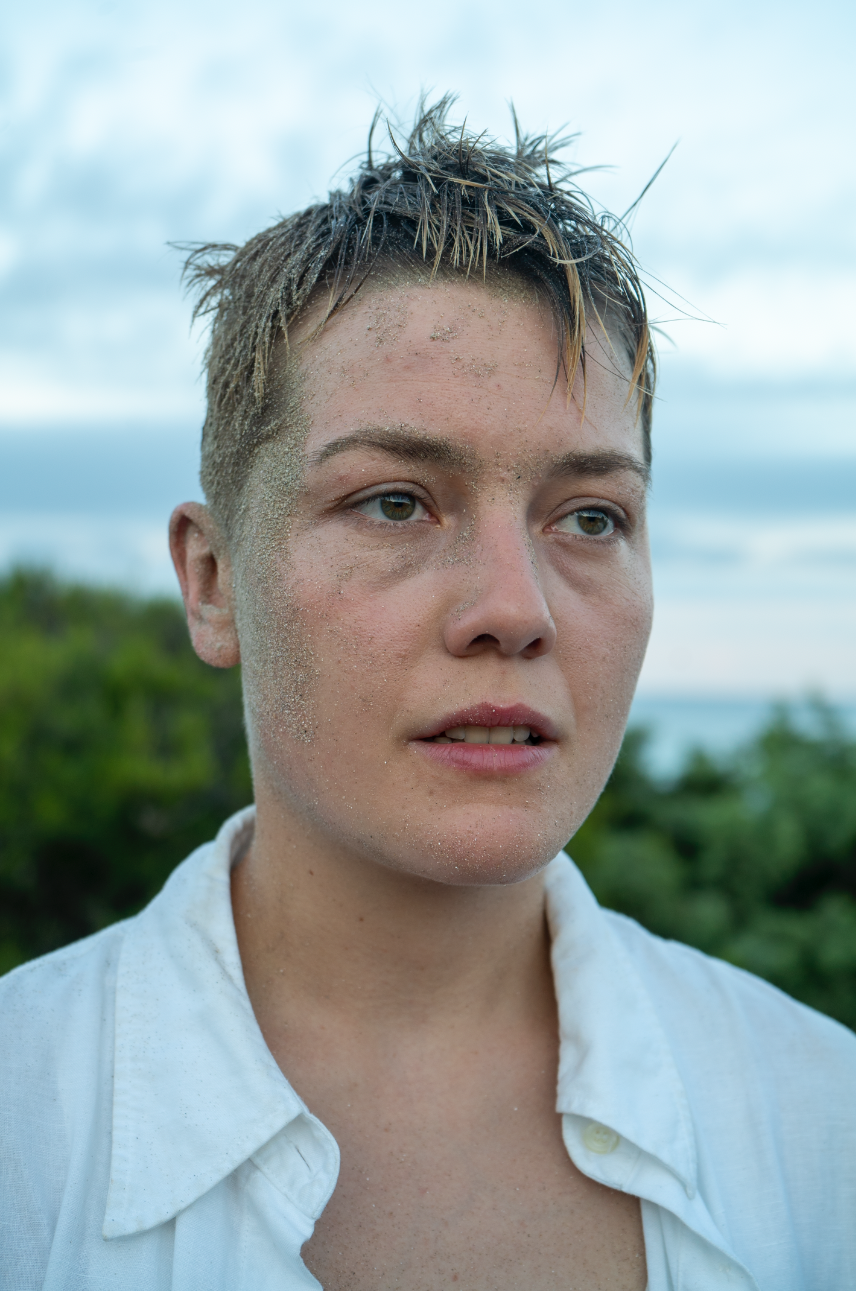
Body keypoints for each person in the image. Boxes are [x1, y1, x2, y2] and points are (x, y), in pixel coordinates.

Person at [1, 99, 854, 1291]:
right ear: (213, 583)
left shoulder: (821, 1125)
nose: (515, 608)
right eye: (395, 502)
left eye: (590, 517)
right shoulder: (25, 1129)